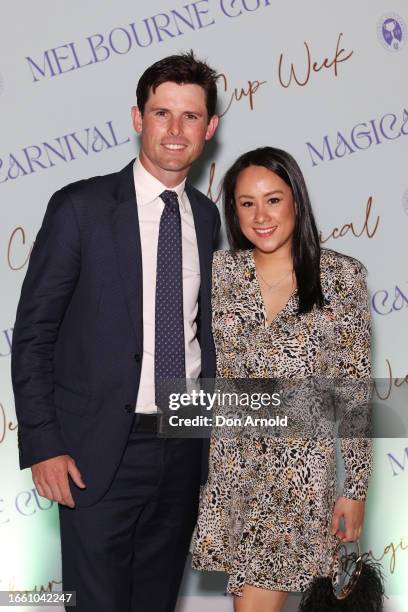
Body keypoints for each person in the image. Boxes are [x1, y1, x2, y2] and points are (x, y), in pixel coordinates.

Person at [11, 51, 220, 612]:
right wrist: (44, 444)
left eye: (190, 117)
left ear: (210, 128)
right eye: (161, 114)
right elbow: (33, 334)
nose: (175, 130)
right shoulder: (79, 208)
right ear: (137, 119)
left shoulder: (206, 216)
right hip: (96, 453)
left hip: (182, 446)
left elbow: (205, 333)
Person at [192, 147, 372, 612]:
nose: (260, 215)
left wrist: (354, 489)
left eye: (273, 199)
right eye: (246, 203)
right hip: (231, 470)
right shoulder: (217, 276)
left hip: (299, 476)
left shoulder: (341, 276)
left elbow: (353, 395)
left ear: (296, 200)